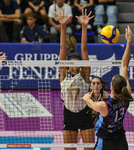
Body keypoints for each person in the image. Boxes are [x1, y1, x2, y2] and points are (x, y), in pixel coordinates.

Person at [81, 25, 134, 150]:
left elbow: (89, 102)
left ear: (111, 87)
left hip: (105, 142)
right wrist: (129, 41)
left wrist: (86, 97)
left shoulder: (104, 105)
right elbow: (125, 65)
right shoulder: (126, 97)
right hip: (121, 141)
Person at [54, 8, 94, 150]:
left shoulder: (84, 75)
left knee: (90, 148)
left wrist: (84, 26)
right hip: (69, 116)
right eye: (72, 64)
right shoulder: (64, 74)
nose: (75, 67)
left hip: (85, 115)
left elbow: (83, 48)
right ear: (68, 65)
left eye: (78, 64)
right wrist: (63, 26)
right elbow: (62, 47)